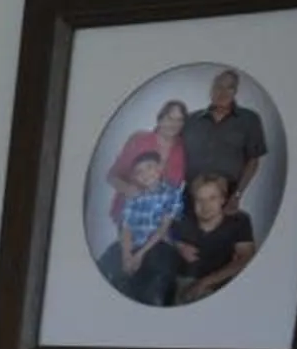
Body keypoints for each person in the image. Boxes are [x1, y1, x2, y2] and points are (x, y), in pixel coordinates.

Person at [100, 149, 184, 305]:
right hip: (132, 244)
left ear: (160, 168)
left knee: (156, 283)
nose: (145, 174)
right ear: (135, 177)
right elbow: (126, 227)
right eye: (139, 172)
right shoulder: (133, 195)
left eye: (150, 167)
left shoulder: (173, 193)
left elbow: (162, 229)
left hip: (158, 244)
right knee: (107, 267)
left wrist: (139, 255)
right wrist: (126, 254)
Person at [166, 171, 260, 305]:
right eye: (200, 199)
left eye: (212, 198)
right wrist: (178, 245)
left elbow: (246, 257)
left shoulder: (239, 221)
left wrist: (205, 283)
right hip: (184, 281)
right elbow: (161, 233)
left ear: (223, 199)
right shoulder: (183, 217)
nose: (205, 206)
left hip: (221, 281)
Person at [179, 69, 267, 209]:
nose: (223, 92)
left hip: (225, 195)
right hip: (190, 195)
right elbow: (171, 149)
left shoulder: (249, 120)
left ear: (235, 91)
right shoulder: (191, 120)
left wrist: (237, 195)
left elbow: (253, 161)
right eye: (219, 86)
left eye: (229, 87)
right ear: (211, 90)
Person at [107, 99, 189, 224]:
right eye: (170, 118)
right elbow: (112, 176)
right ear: (160, 119)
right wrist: (128, 189)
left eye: (179, 120)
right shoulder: (139, 140)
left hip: (159, 220)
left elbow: (175, 190)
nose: (174, 124)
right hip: (129, 216)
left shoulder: (183, 149)